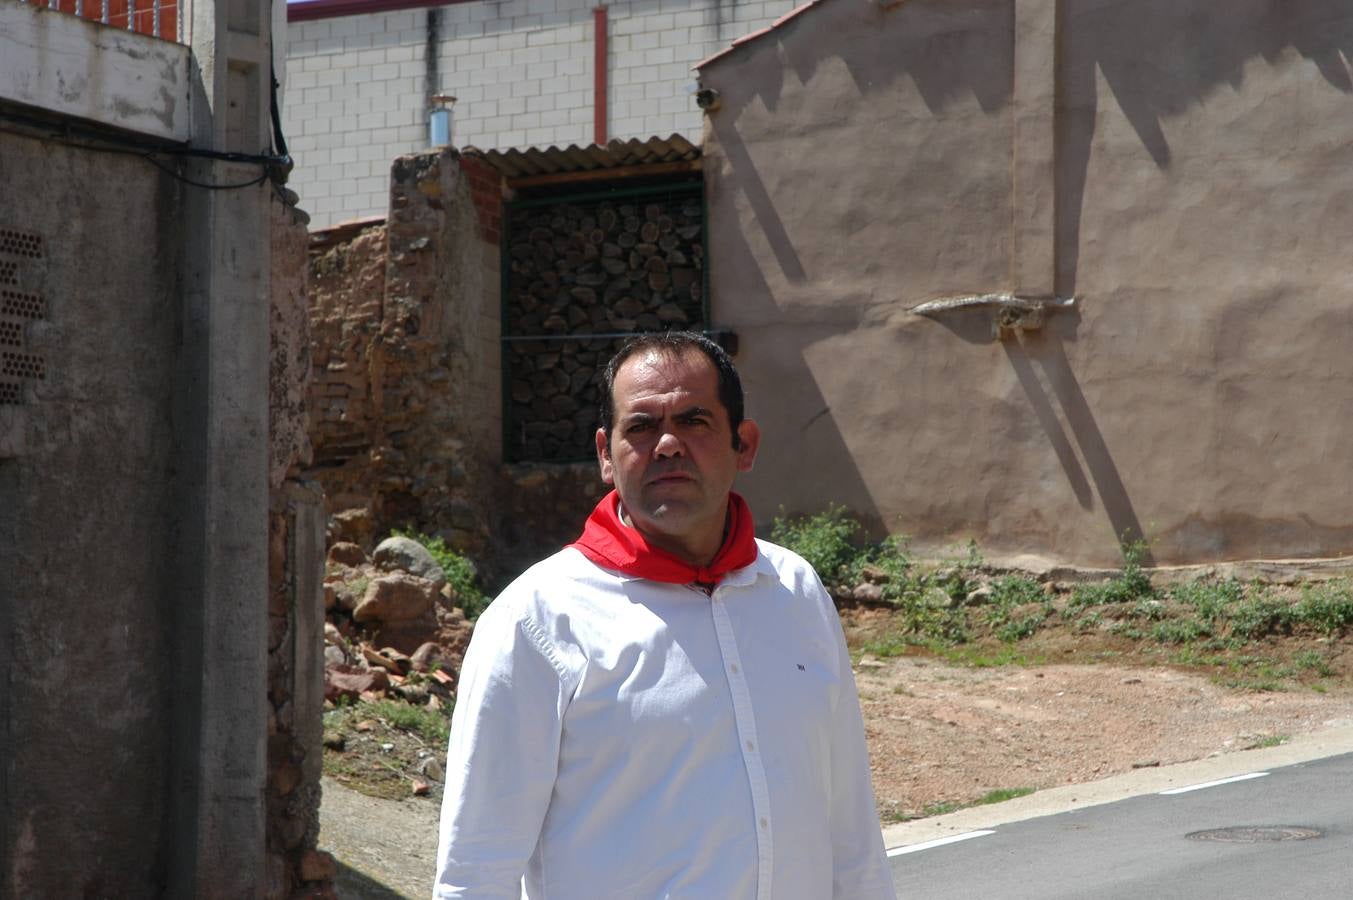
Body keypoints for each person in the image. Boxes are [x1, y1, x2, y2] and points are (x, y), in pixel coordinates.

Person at [433, 331, 896, 899]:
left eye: (694, 421)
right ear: (606, 453)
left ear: (744, 445)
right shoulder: (535, 621)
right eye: (642, 426)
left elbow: (851, 830)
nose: (669, 444)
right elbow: (475, 871)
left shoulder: (794, 591)